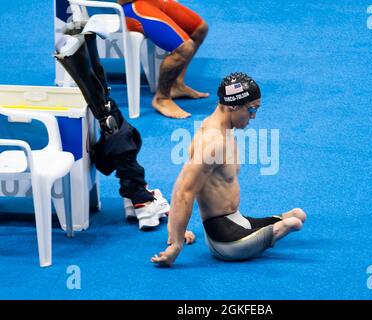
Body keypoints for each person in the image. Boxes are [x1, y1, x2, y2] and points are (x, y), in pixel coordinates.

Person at [151, 72, 307, 267]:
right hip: (225, 240)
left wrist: (178, 231)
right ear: (233, 105)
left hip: (237, 221)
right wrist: (176, 242)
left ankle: (269, 226)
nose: (254, 116)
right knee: (292, 224)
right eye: (251, 110)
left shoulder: (224, 131)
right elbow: (183, 191)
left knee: (297, 215)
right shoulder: (213, 142)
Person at [54, 22, 192, 240]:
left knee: (108, 111)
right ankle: (143, 202)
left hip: (116, 140)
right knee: (112, 119)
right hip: (118, 143)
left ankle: (83, 43)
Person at [118, 0, 209, 119]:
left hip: (151, 2)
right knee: (184, 49)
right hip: (127, 6)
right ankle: (162, 98)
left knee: (199, 30)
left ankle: (176, 85)